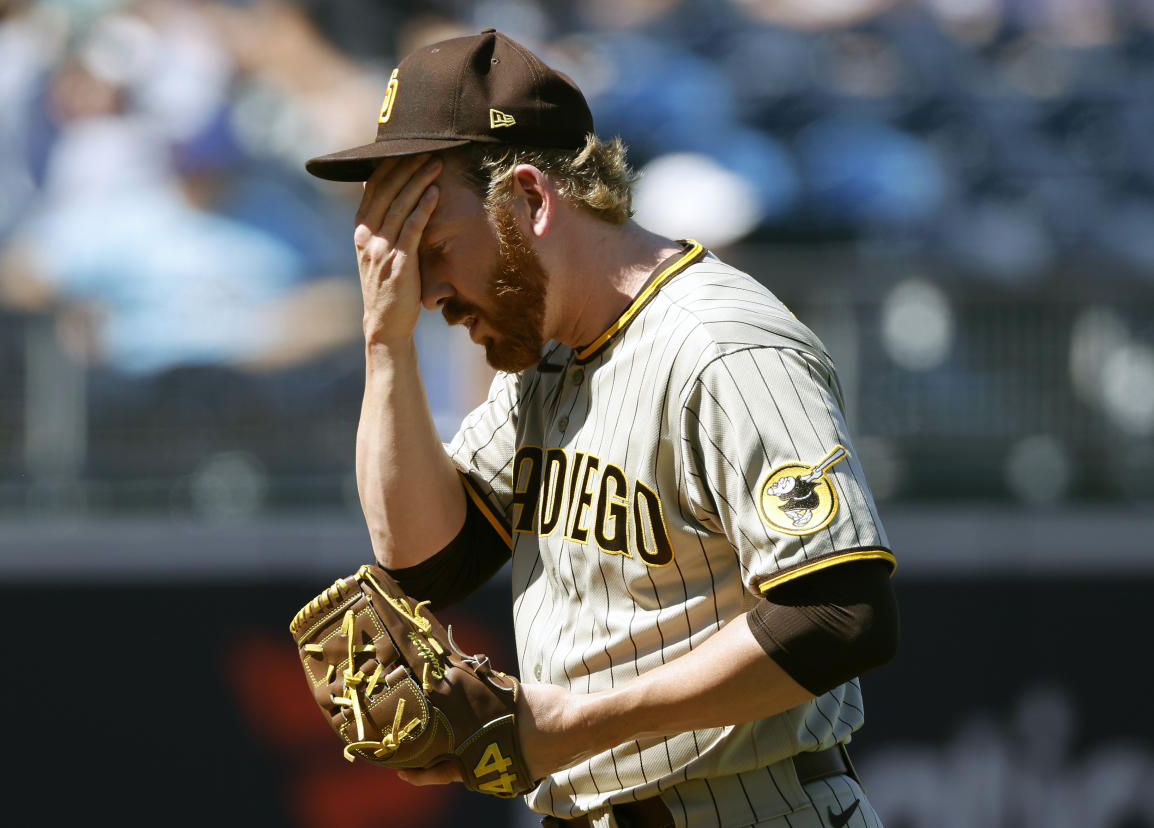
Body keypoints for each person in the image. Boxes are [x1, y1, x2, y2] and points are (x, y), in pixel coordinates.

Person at [305, 29, 899, 828]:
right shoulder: (546, 364)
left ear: (529, 200)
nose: (427, 288)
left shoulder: (722, 346)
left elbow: (839, 616)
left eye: (436, 246)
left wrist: (573, 727)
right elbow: (430, 562)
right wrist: (385, 343)